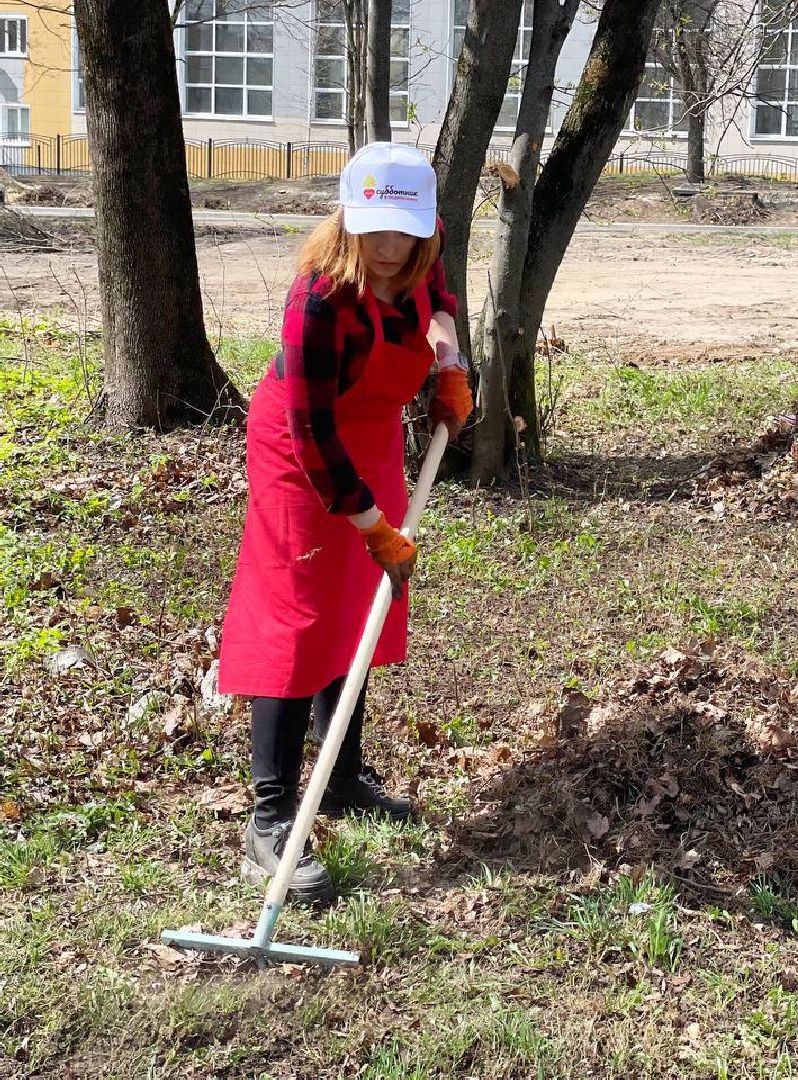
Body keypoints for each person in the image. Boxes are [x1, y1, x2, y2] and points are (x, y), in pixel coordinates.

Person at [216, 143, 473, 905]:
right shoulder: (319, 297)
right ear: (348, 218)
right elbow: (308, 429)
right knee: (297, 620)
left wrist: (448, 363)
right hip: (304, 453)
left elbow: (443, 307)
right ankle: (268, 821)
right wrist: (368, 522)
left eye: (404, 232)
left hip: (371, 439)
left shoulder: (424, 257)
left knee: (359, 606)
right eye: (374, 229)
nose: (389, 247)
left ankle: (342, 778)